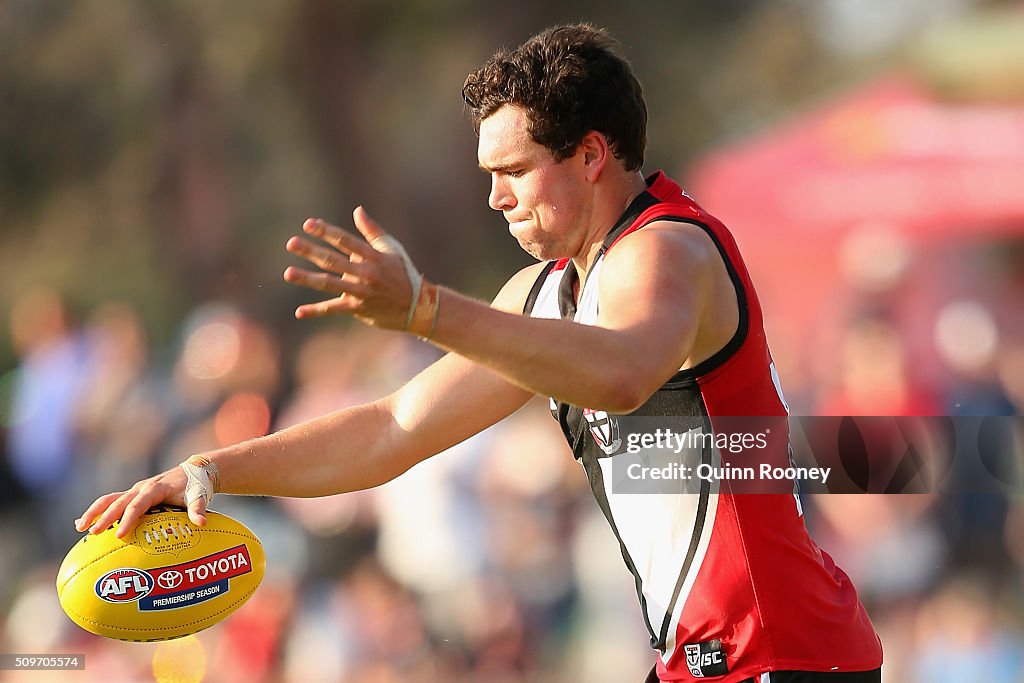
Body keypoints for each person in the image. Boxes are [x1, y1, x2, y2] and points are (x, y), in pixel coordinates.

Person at [76, 24, 882, 683]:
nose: (495, 197)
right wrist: (208, 469)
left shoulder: (665, 248)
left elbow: (626, 370)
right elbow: (393, 428)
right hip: (711, 660)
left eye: (515, 171)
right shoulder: (547, 289)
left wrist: (426, 309)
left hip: (785, 654)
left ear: (592, 155)